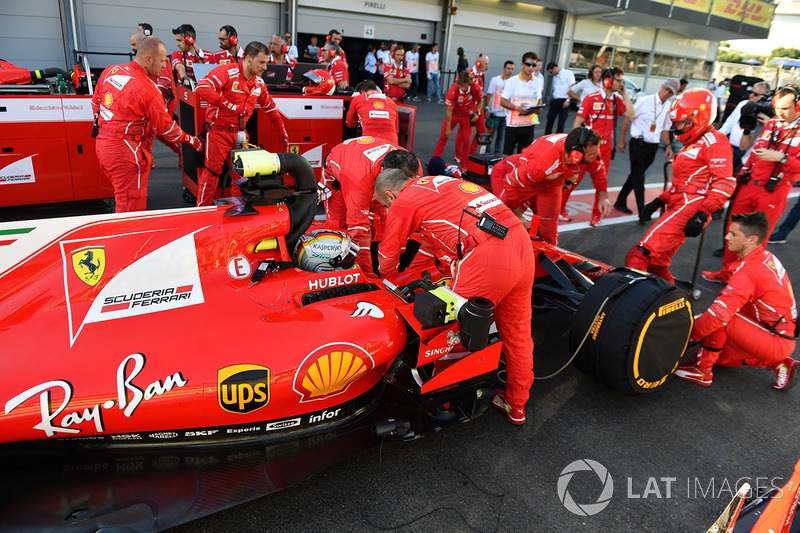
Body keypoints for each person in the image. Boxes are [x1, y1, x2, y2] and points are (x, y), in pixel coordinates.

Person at [375, 169, 535, 425]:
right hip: (521, 244)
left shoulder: (402, 202)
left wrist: (385, 281)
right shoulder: (441, 184)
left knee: (451, 330)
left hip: (488, 254)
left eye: (384, 205)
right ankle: (516, 405)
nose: (386, 209)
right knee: (518, 334)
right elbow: (436, 241)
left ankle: (442, 401)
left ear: (389, 195)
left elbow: (389, 252)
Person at [674, 212, 797, 390]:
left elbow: (719, 315)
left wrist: (684, 338)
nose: (726, 236)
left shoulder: (748, 272)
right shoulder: (764, 256)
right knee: (721, 356)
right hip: (774, 329)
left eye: (734, 234)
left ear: (751, 240)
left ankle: (702, 371)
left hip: (775, 337)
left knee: (720, 317)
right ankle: (780, 363)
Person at [625, 88, 736, 283]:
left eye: (684, 122)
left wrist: (703, 214)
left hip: (693, 207)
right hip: (681, 202)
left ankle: (627, 303)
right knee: (658, 261)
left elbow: (725, 183)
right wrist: (659, 200)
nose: (680, 127)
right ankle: (671, 302)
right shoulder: (695, 142)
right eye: (678, 122)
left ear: (699, 118)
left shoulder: (715, 142)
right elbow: (683, 184)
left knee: (640, 254)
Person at [92, 36, 202, 212]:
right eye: (161, 61)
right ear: (148, 59)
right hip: (125, 153)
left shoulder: (111, 71)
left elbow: (96, 104)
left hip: (104, 147)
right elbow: (167, 129)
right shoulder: (148, 89)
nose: (165, 66)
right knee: (131, 210)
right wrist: (192, 141)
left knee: (122, 198)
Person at [703, 85, 800, 284]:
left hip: (773, 191)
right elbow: (750, 148)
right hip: (748, 186)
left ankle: (742, 281)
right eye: (777, 107)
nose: (779, 112)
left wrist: (781, 158)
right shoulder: (772, 123)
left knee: (755, 239)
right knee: (734, 231)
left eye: (785, 108)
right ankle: (726, 273)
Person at [194, 41, 289, 207]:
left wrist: (282, 130)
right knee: (211, 175)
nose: (265, 67)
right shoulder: (227, 72)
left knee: (242, 177)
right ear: (248, 59)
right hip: (218, 133)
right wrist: (230, 106)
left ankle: (237, 210)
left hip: (241, 135)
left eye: (266, 62)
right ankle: (201, 213)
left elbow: (271, 108)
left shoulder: (259, 83)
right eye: (261, 62)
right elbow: (201, 88)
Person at [493, 128, 610, 245]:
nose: (596, 156)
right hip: (524, 181)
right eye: (592, 154)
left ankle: (549, 257)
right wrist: (517, 214)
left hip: (552, 182)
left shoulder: (585, 151)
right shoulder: (541, 164)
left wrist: (603, 195)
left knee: (549, 230)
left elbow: (598, 170)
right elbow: (510, 181)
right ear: (576, 154)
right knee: (502, 220)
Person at [322, 138, 419, 276]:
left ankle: (383, 261)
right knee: (341, 231)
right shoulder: (358, 180)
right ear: (383, 172)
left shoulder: (412, 165)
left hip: (366, 168)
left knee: (381, 222)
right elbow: (357, 232)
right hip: (343, 176)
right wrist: (368, 276)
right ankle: (359, 273)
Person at [563, 67, 634, 226]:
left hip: (606, 149)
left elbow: (631, 114)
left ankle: (596, 214)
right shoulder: (591, 98)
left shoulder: (617, 101)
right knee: (573, 179)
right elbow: (577, 123)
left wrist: (625, 94)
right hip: (586, 149)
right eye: (619, 80)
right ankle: (560, 208)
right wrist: (574, 147)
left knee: (601, 184)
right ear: (607, 81)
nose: (621, 83)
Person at [614, 78, 680, 217]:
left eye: (670, 92)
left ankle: (620, 201)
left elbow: (664, 129)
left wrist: (668, 146)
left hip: (653, 147)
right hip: (638, 144)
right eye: (666, 89)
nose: (666, 93)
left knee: (636, 175)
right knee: (640, 179)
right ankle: (642, 211)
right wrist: (621, 140)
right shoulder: (645, 101)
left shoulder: (668, 107)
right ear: (662, 86)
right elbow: (627, 118)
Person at [130, 33, 179, 153]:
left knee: (160, 133)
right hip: (149, 105)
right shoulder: (139, 63)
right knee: (146, 133)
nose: (132, 48)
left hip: (161, 104)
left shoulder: (160, 62)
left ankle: (182, 153)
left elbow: (166, 85)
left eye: (134, 44)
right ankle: (147, 158)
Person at [432, 71, 483, 167]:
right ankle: (435, 159)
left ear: (469, 83)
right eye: (461, 86)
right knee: (444, 136)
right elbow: (449, 110)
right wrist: (448, 128)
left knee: (467, 141)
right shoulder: (454, 89)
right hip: (454, 114)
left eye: (465, 86)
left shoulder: (475, 87)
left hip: (466, 115)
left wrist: (478, 113)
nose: (463, 88)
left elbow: (480, 100)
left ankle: (465, 165)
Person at [718, 82, 770, 174]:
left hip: (747, 154)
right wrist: (717, 137)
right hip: (731, 148)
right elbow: (729, 123)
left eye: (756, 94)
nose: (751, 95)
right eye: (752, 92)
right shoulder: (743, 104)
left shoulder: (765, 113)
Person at [500, 51, 542, 155]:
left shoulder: (538, 81)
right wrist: (517, 108)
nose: (531, 67)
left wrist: (538, 107)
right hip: (513, 125)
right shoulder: (512, 81)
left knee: (524, 157)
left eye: (534, 65)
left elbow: (539, 99)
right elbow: (502, 101)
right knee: (507, 155)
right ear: (522, 64)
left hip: (529, 124)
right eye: (528, 64)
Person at [346, 80, 399, 144]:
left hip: (369, 139)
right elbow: (397, 128)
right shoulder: (391, 101)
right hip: (391, 140)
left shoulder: (358, 98)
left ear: (362, 92)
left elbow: (349, 123)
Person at [485, 60, 514, 153]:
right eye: (508, 68)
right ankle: (487, 154)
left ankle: (497, 155)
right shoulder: (495, 80)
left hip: (506, 115)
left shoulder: (513, 82)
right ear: (504, 68)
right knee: (490, 135)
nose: (510, 71)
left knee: (500, 137)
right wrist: (486, 108)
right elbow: (489, 94)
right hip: (495, 114)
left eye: (512, 69)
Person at [544, 62, 575, 135]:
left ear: (555, 68)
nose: (552, 74)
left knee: (561, 123)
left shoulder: (568, 73)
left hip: (564, 100)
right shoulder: (555, 76)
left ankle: (558, 140)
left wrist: (568, 100)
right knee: (550, 120)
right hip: (555, 100)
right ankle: (546, 137)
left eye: (551, 72)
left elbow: (573, 87)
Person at [468, 54, 489, 154]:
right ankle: (460, 154)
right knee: (467, 131)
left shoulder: (482, 75)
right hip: (470, 106)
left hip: (479, 105)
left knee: (482, 129)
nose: (487, 66)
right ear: (478, 63)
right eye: (485, 63)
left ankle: (472, 151)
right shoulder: (470, 74)